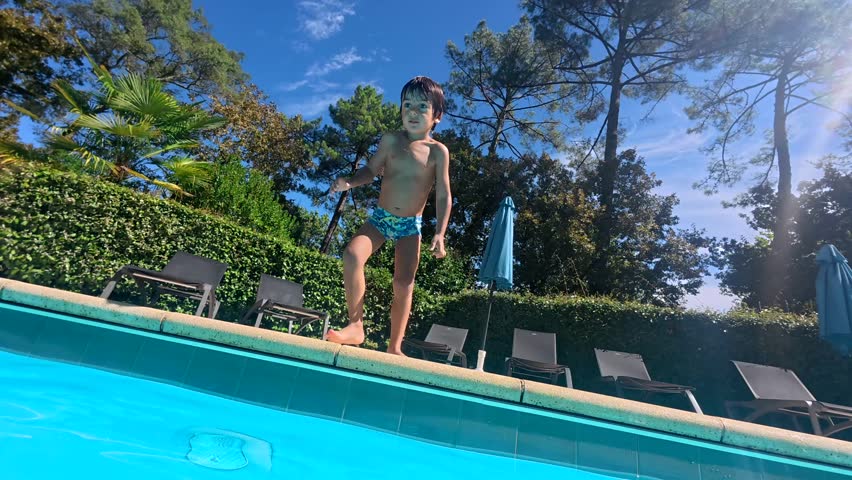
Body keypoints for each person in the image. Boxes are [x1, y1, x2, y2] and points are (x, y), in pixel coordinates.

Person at [325, 76, 452, 355]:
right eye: (407, 105)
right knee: (352, 256)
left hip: (410, 225)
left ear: (437, 116)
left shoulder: (437, 152)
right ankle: (356, 326)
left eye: (422, 107)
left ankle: (395, 346)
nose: (413, 112)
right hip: (381, 219)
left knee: (403, 284)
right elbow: (370, 171)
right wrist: (350, 181)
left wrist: (440, 233)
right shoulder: (391, 141)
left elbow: (443, 194)